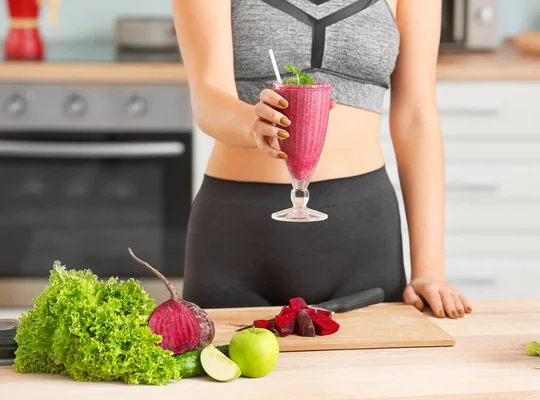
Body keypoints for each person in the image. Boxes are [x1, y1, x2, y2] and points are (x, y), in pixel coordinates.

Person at [171, 0, 472, 319]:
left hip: (362, 236)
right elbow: (208, 97)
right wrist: (252, 123)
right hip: (237, 237)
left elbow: (416, 118)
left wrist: (429, 270)